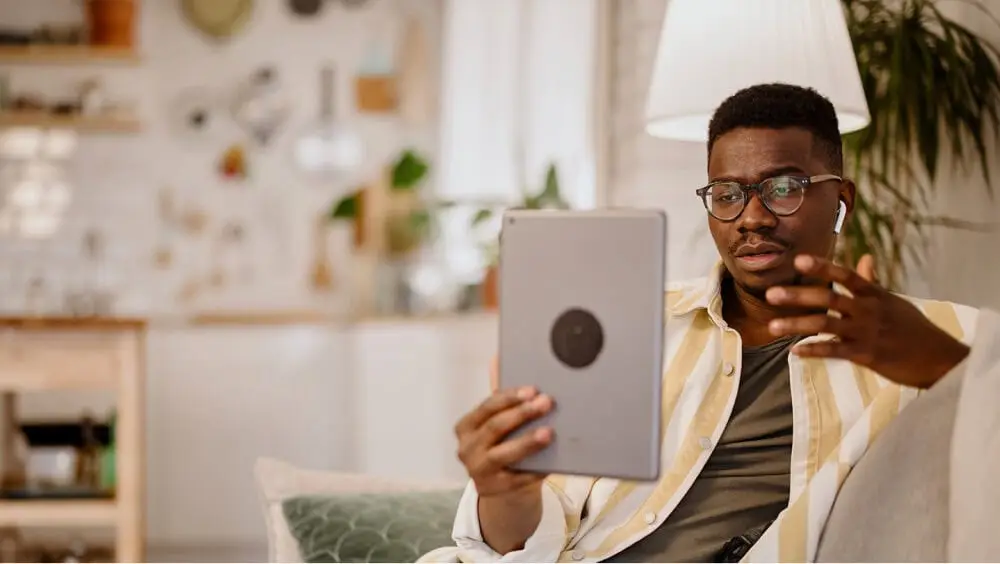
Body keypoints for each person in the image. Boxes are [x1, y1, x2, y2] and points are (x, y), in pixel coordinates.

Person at [419, 83, 984, 563]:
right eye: (727, 194)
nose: (752, 218)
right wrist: (503, 489)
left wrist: (943, 363)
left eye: (783, 188)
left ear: (841, 199)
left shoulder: (933, 337)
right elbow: (521, 539)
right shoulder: (630, 323)